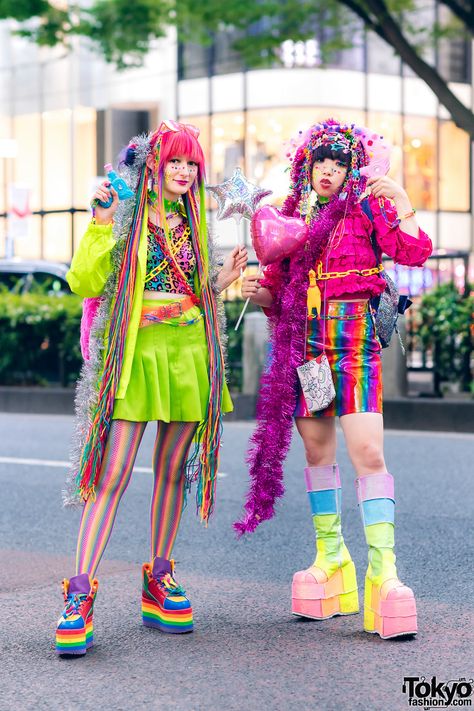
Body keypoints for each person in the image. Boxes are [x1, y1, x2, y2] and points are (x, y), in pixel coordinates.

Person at [56, 120, 247, 655]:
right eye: (174, 162)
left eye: (192, 164)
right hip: (137, 354)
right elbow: (85, 282)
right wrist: (99, 224)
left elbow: (192, 288)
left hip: (189, 352)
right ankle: (79, 593)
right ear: (153, 166)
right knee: (113, 473)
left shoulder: (194, 221)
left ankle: (158, 579)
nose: (184, 172)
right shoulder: (124, 217)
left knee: (172, 471)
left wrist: (221, 282)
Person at [238, 119, 432, 639]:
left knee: (368, 453)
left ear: (352, 169)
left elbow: (415, 252)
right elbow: (277, 294)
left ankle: (383, 572)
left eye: (340, 162)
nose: (329, 170)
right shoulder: (286, 217)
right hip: (308, 347)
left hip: (355, 343)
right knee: (317, 454)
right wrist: (257, 292)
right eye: (321, 160)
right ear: (306, 164)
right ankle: (331, 558)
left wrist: (401, 199)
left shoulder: (367, 208)